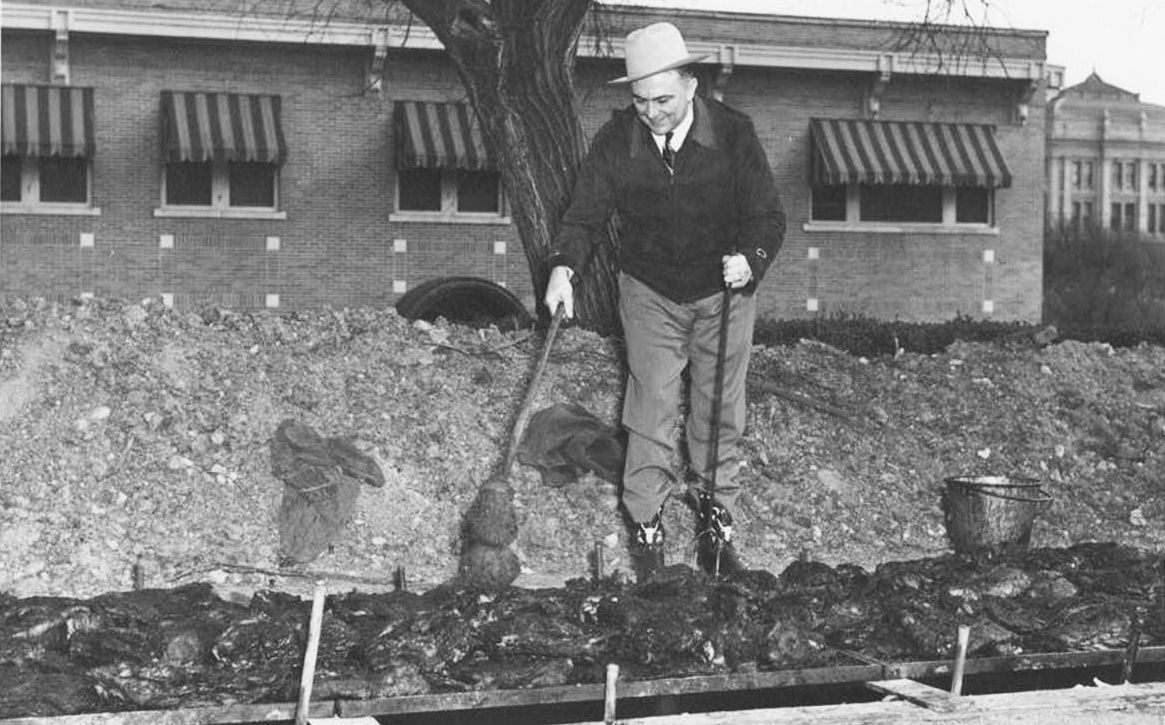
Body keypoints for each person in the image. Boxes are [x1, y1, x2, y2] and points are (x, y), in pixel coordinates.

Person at [544, 22, 785, 581]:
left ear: (691, 86)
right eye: (640, 100)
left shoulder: (733, 134)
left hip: (723, 292)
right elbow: (585, 214)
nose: (651, 112)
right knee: (649, 406)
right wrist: (563, 269)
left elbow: (768, 217)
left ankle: (715, 527)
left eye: (662, 100)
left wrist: (751, 257)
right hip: (650, 290)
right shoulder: (617, 141)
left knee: (719, 411)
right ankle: (647, 531)